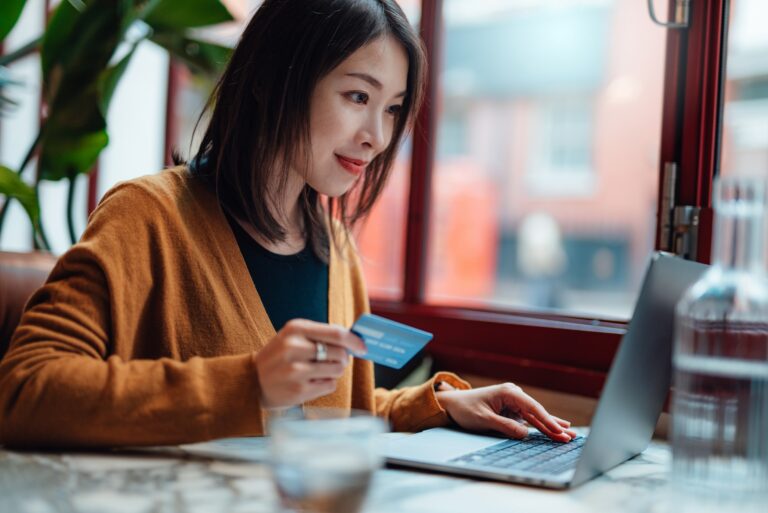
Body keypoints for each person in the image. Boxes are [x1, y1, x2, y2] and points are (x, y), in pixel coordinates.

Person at [0, 0, 576, 448]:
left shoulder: (335, 248)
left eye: (394, 107)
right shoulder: (144, 217)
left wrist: (438, 406)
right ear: (271, 79)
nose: (377, 135)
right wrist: (248, 384)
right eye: (357, 95)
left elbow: (330, 417)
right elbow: (22, 392)